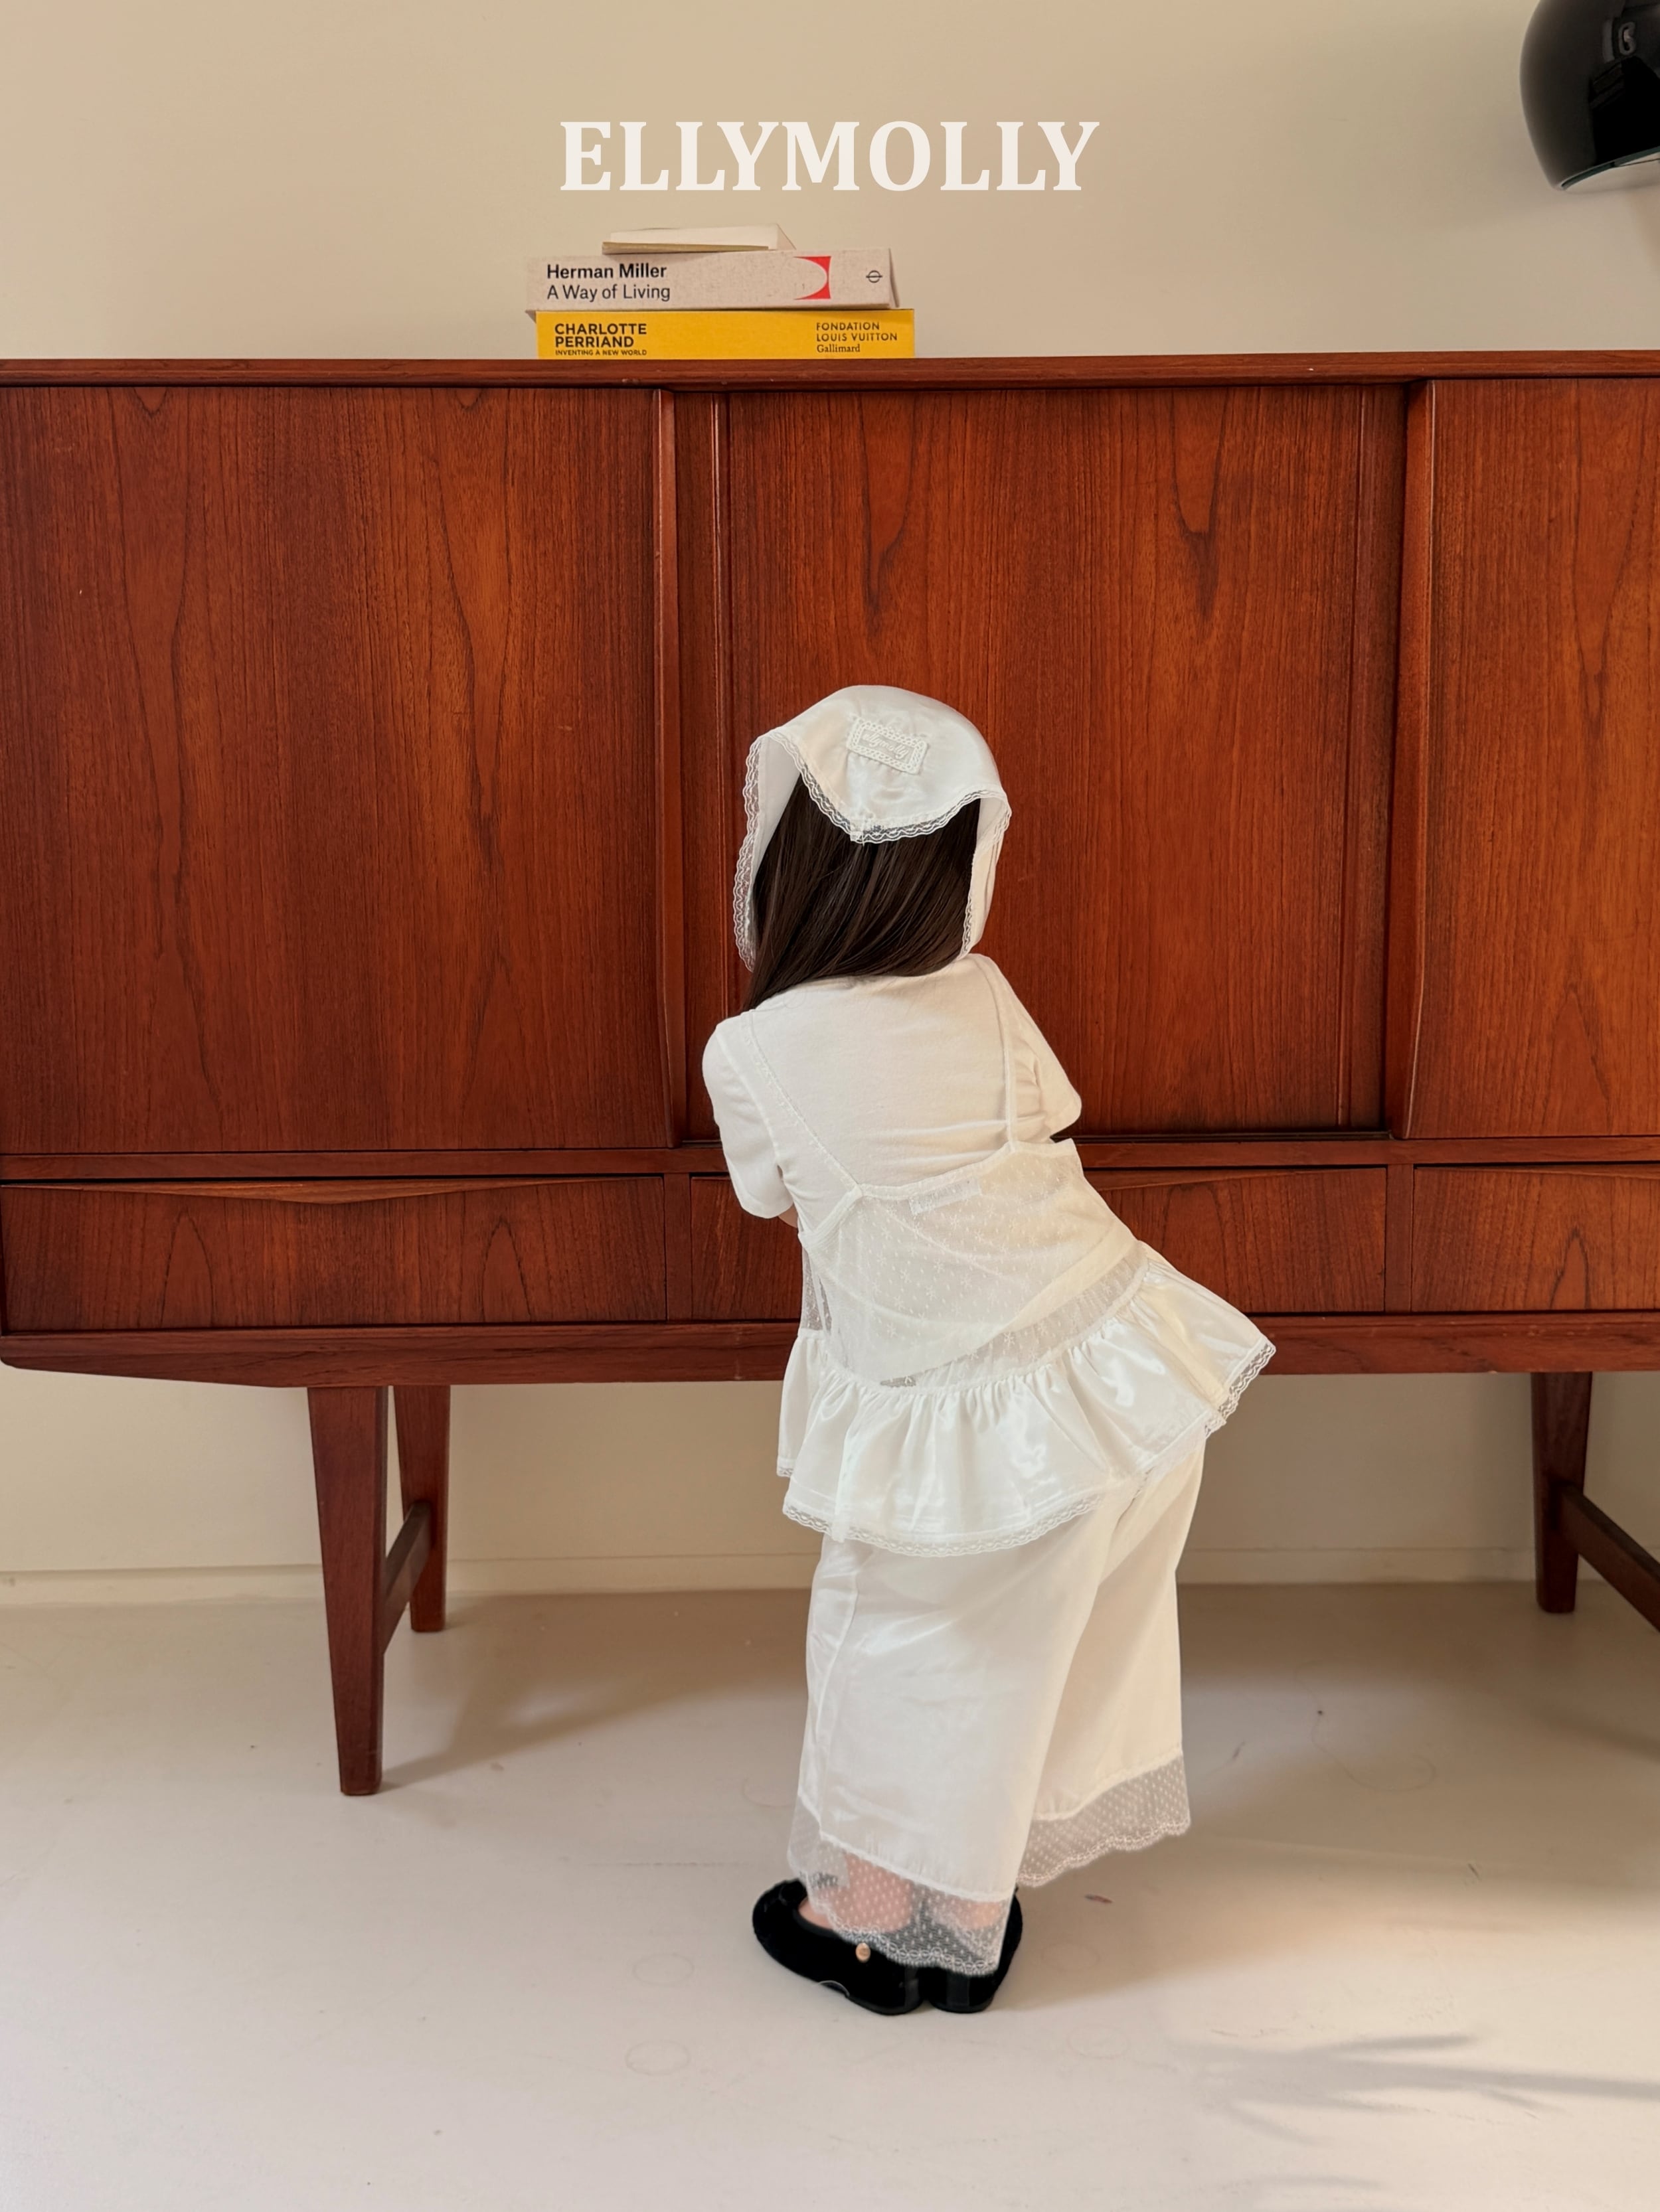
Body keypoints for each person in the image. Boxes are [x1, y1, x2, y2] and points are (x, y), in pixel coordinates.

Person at [701, 686, 1273, 2016]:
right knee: (1024, 1658)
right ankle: (964, 1917)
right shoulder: (987, 994)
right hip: (1116, 1367)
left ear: (788, 863)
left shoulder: (756, 1051)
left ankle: (867, 1918)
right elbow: (1044, 1116)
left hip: (965, 1408)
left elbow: (770, 1191)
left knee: (901, 1644)